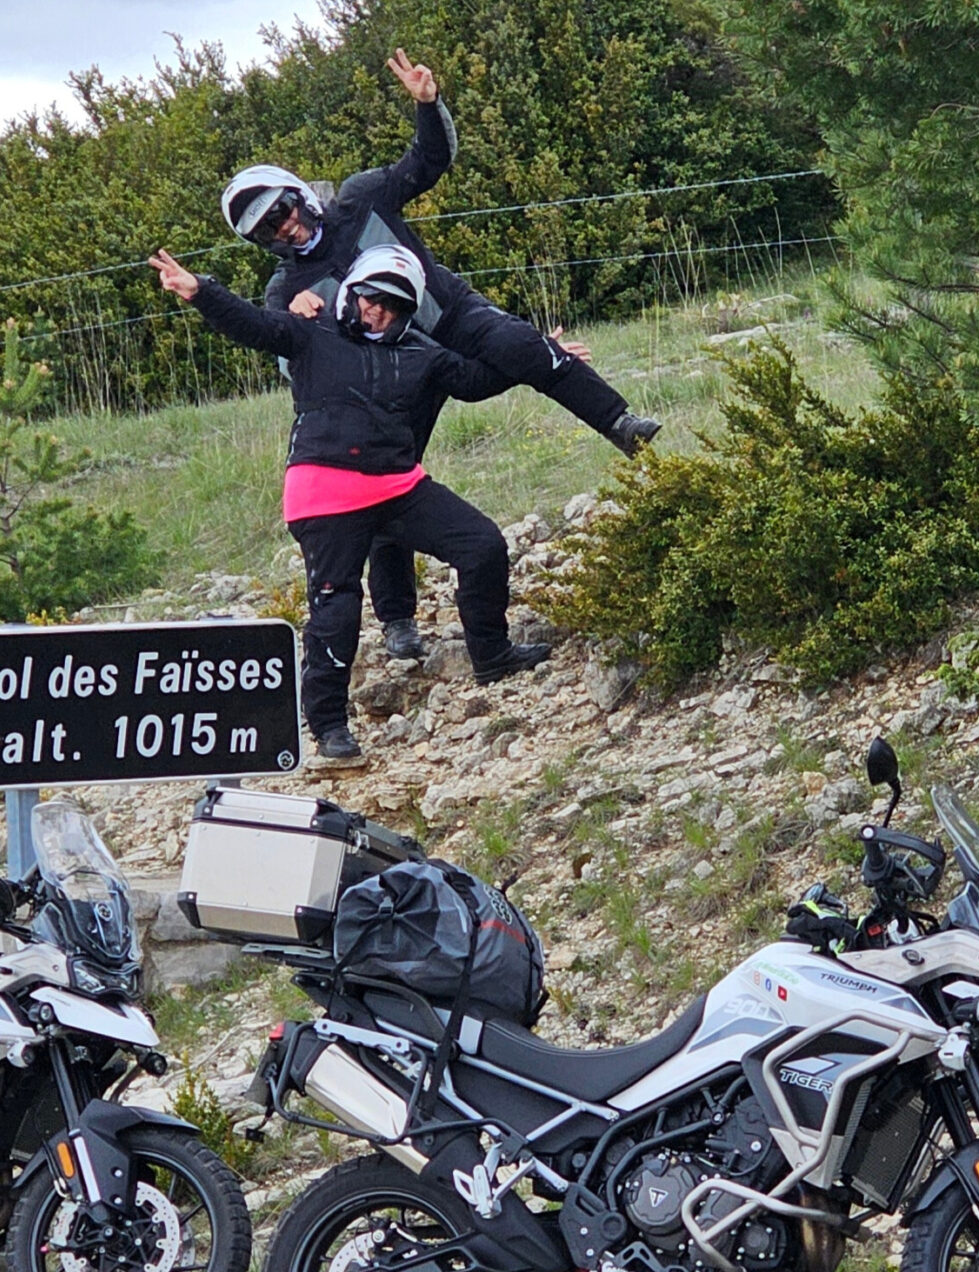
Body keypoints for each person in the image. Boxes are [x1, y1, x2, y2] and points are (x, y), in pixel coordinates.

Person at [220, 49, 660, 659]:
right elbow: (291, 359)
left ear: (297, 195)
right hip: (398, 371)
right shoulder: (285, 290)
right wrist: (293, 324)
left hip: (451, 313)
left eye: (284, 212)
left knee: (518, 344)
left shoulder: (361, 198)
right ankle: (398, 619)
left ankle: (619, 423)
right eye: (268, 231)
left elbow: (429, 161)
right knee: (387, 475)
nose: (286, 229)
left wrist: (428, 104)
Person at [150, 242, 553, 764]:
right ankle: (329, 727)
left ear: (406, 312)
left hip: (397, 486)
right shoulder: (310, 333)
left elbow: (477, 380)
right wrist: (200, 289)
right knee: (337, 608)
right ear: (352, 292)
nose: (377, 310)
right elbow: (251, 324)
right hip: (325, 492)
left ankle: (493, 656)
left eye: (391, 305)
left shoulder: (420, 352)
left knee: (482, 545)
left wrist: (539, 358)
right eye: (370, 298)